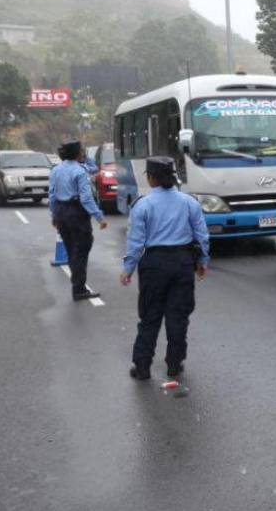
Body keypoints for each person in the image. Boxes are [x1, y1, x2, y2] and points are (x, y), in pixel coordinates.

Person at [120, 157, 210, 381]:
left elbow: (135, 243)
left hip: (154, 264)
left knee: (150, 317)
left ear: (151, 178)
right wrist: (202, 262)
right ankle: (174, 364)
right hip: (182, 263)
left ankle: (142, 367)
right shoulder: (189, 202)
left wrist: (128, 268)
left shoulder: (143, 205)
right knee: (178, 317)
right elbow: (202, 235)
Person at [48, 139, 108, 300]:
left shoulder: (56, 170)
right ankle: (79, 288)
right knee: (81, 249)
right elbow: (86, 198)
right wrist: (99, 217)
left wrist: (54, 215)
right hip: (76, 212)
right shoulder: (80, 171)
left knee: (70, 249)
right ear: (77, 153)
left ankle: (77, 285)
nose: (82, 153)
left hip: (61, 211)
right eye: (81, 150)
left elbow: (52, 195)